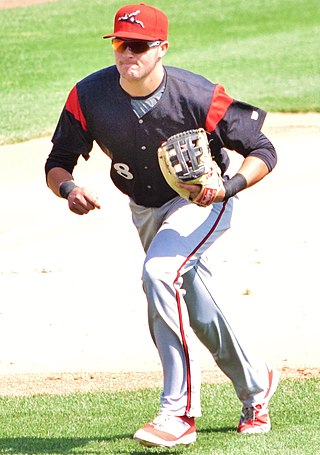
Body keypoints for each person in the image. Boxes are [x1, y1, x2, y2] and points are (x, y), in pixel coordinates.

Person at [45, 3, 279, 448]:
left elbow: (263, 150)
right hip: (145, 207)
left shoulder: (196, 94)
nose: (127, 53)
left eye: (138, 45)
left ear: (161, 49)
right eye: (120, 44)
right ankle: (256, 385)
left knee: (157, 274)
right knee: (200, 307)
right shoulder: (89, 96)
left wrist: (225, 189)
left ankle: (179, 412)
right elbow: (57, 162)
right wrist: (69, 189)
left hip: (201, 201)